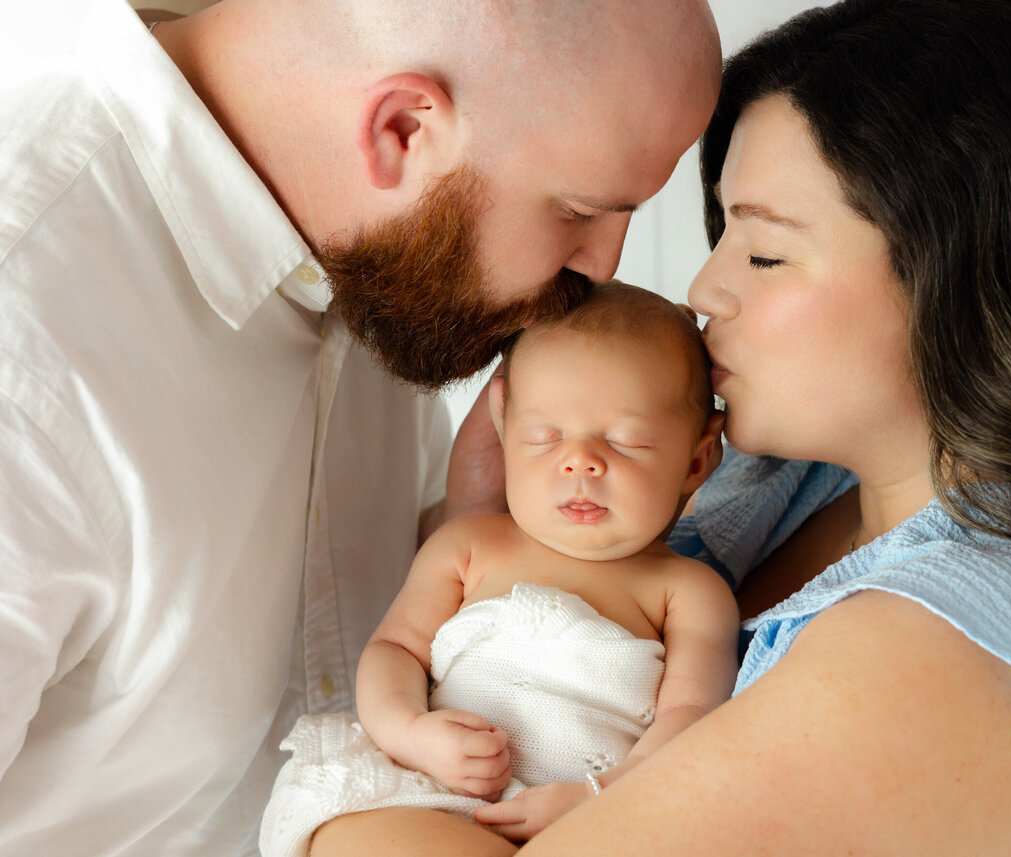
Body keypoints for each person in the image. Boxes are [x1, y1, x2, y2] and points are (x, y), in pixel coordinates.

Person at [310, 1, 1011, 855]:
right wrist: (482, 517)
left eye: (765, 252)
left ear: (975, 279)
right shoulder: (800, 478)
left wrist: (350, 809)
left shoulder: (936, 651)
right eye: (722, 235)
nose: (704, 290)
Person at [0, 0, 721, 854]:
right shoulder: (28, 344)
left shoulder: (378, 264)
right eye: (577, 210)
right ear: (402, 130)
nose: (603, 269)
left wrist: (468, 528)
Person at [259, 283, 737, 857]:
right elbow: (394, 651)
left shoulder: (688, 592)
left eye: (624, 440)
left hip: (598, 811)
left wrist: (600, 796)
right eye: (546, 435)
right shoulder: (468, 545)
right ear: (503, 420)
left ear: (696, 458)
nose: (579, 459)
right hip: (426, 790)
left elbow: (691, 721)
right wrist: (412, 733)